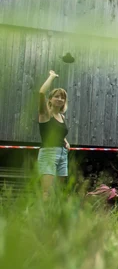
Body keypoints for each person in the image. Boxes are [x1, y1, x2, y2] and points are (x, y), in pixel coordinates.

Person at [37, 70, 70, 198]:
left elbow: (60, 132)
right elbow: (41, 93)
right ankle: (42, 217)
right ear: (50, 99)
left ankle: (54, 217)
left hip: (62, 154)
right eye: (57, 96)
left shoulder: (62, 116)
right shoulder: (45, 114)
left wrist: (66, 142)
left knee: (59, 191)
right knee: (47, 192)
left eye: (62, 97)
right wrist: (51, 77)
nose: (60, 99)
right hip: (49, 153)